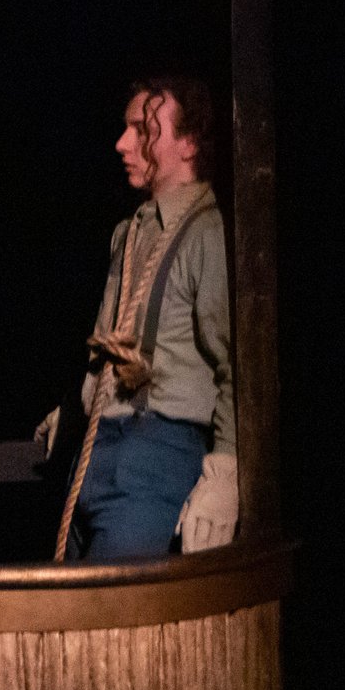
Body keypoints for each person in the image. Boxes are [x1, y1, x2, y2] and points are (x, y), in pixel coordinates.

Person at [40, 77, 238, 560]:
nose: (123, 144)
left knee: (112, 602)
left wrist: (225, 469)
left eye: (143, 130)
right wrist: (78, 407)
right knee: (69, 598)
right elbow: (114, 342)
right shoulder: (128, 233)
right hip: (96, 453)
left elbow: (236, 365)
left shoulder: (207, 234)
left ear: (189, 143)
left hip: (156, 453)